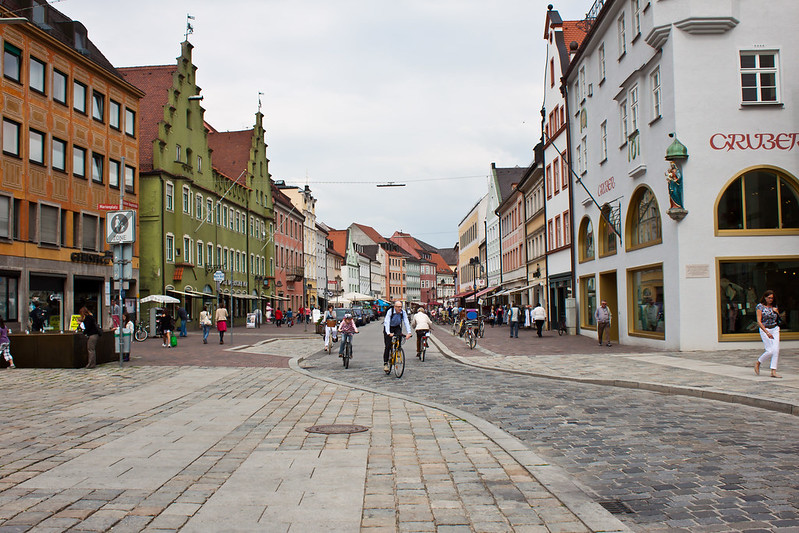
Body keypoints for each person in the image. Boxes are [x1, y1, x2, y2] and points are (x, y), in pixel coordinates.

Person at [754, 290, 781, 378]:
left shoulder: (774, 306)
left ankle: (773, 370)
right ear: (765, 297)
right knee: (770, 350)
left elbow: (778, 319)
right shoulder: (760, 307)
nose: (770, 300)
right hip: (764, 329)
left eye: (772, 298)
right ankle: (758, 362)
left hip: (775, 328)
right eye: (769, 298)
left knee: (776, 349)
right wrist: (767, 332)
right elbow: (759, 321)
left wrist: (777, 312)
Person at [383, 301, 412, 372]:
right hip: (389, 327)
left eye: (401, 307)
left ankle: (398, 349)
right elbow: (387, 322)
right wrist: (388, 333)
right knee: (388, 345)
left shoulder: (403, 312)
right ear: (395, 307)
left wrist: (409, 333)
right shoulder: (390, 311)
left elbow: (406, 322)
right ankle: (386, 363)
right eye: (398, 307)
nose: (400, 308)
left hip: (396, 327)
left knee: (399, 336)